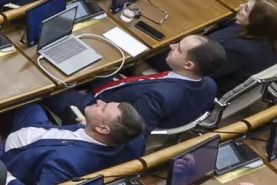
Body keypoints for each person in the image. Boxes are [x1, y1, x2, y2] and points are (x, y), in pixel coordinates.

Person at [47, 34, 222, 132]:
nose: (172, 45)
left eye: (179, 48)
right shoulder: (209, 83)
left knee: (47, 87)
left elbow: (134, 134)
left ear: (188, 65)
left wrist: (91, 124)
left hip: (96, 109)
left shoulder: (157, 97)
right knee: (100, 61)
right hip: (120, 93)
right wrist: (134, 85)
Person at [0, 98, 145, 185]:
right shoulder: (134, 139)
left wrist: (8, 180)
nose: (99, 101)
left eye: (103, 108)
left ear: (103, 129)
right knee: (25, 100)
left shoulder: (67, 163)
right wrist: (88, 126)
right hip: (45, 130)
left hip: (12, 154)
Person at [207, 0, 277, 90]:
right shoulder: (276, 37)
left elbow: (204, 71)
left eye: (246, 9)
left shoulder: (237, 49)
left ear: (255, 21)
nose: (240, 5)